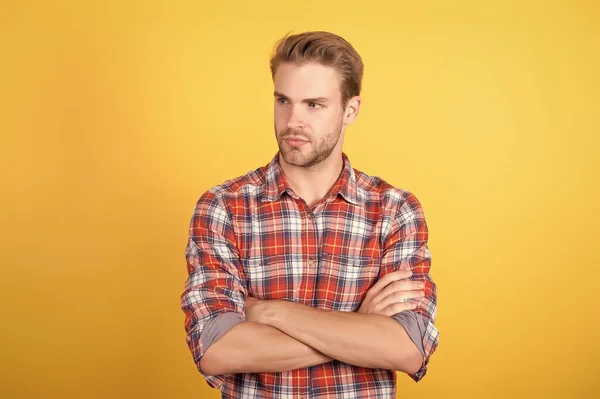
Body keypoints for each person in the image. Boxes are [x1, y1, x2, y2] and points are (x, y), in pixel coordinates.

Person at [181, 31, 439, 399]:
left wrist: (269, 313)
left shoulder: (395, 210)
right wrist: (360, 328)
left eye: (313, 104)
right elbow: (215, 349)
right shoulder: (224, 207)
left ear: (350, 110)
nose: (292, 121)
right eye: (283, 100)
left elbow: (409, 349)